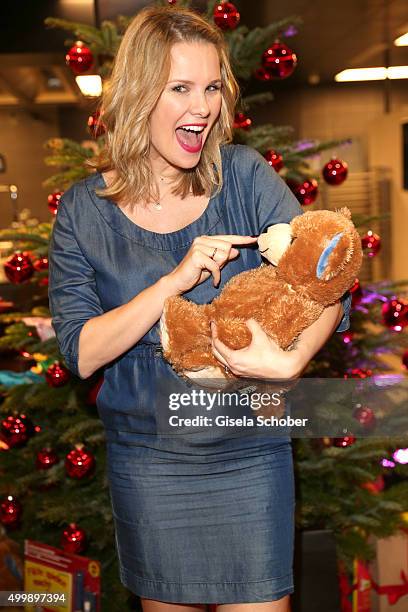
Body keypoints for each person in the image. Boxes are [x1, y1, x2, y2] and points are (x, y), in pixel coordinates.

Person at [48, 5, 351, 612]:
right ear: (138, 96)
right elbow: (81, 352)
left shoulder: (244, 176)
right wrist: (175, 281)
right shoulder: (84, 212)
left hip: (250, 454)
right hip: (151, 463)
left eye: (212, 87)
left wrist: (292, 363)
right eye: (181, 88)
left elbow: (329, 272)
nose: (204, 107)